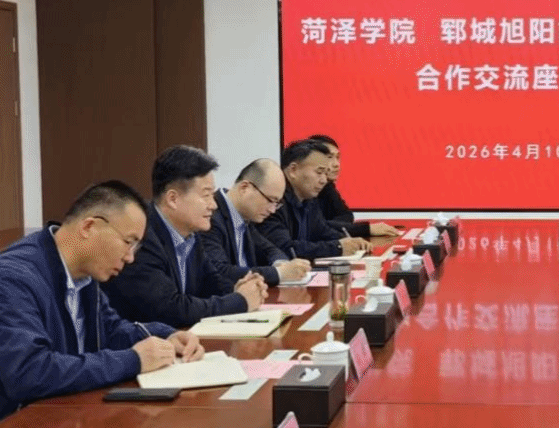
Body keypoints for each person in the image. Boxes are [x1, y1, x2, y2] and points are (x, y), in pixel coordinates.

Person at [0, 181, 204, 428]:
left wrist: (166, 335)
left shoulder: (82, 273)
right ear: (89, 227)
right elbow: (30, 373)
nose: (130, 257)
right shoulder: (11, 280)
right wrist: (134, 360)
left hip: (49, 421)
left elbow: (110, 330)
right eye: (128, 242)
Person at [103, 145, 268, 328]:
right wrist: (240, 301)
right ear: (173, 199)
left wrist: (241, 289)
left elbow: (211, 282)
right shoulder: (142, 237)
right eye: (206, 195)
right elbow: (171, 309)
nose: (213, 205)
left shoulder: (190, 234)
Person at [199, 157, 311, 287]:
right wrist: (279, 273)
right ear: (244, 188)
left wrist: (281, 264)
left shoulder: (246, 218)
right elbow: (220, 272)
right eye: (270, 200)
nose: (272, 210)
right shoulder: (210, 217)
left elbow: (270, 250)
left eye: (277, 203)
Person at [259, 138, 370, 261]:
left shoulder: (308, 199)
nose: (324, 180)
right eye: (319, 172)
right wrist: (337, 247)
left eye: (326, 173)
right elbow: (285, 248)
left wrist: (348, 241)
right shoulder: (271, 201)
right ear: (293, 170)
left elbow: (322, 232)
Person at [307, 134, 400, 240]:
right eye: (329, 157)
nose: (336, 164)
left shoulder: (327, 186)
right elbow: (315, 227)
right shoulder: (304, 190)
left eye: (337, 157)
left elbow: (346, 215)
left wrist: (331, 226)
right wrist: (365, 229)